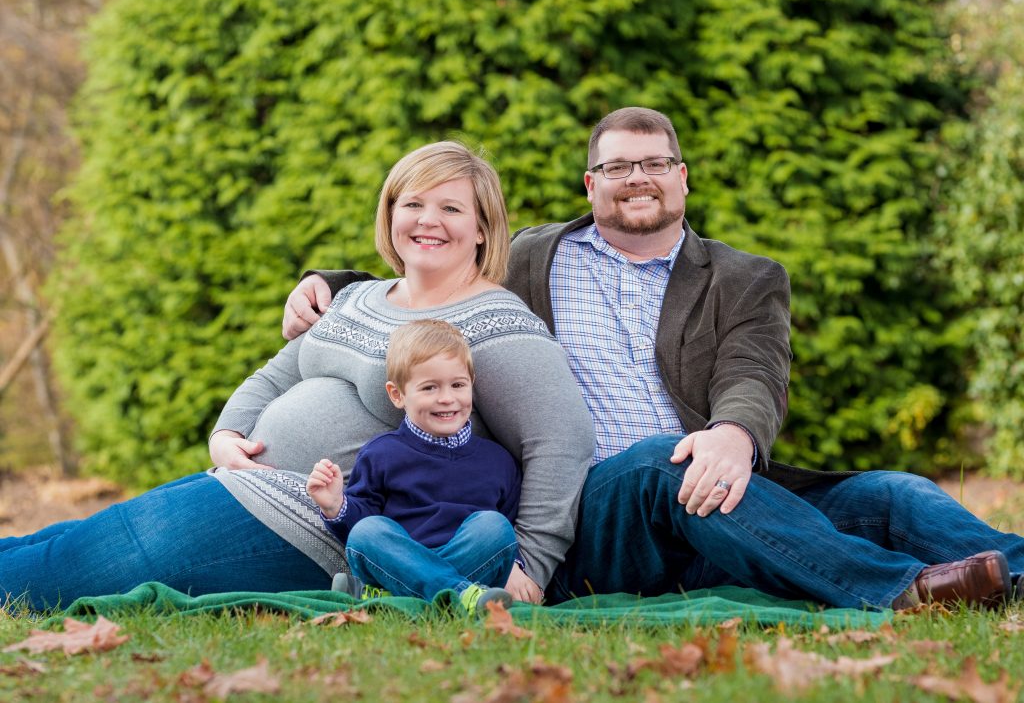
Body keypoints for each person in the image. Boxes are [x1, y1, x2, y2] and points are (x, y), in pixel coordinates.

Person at [285, 107, 1024, 611]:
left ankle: (1009, 575)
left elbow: (754, 372)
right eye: (617, 167)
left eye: (654, 163)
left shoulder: (746, 277)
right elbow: (433, 266)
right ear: (591, 184)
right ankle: (902, 591)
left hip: (721, 487)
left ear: (682, 177)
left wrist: (734, 433)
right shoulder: (532, 259)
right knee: (653, 463)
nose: (637, 177)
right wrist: (333, 282)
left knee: (891, 494)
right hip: (590, 510)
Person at [0, 142, 594, 611]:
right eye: (411, 204)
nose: (426, 220)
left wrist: (531, 569)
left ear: (484, 228)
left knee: (72, 567)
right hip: (244, 484)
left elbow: (562, 442)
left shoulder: (493, 321)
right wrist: (226, 435)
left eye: (450, 208)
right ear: (389, 215)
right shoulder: (359, 297)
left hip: (316, 526)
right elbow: (273, 375)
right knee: (68, 540)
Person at [306, 319, 520, 615]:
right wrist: (336, 506)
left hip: (470, 559)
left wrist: (517, 567)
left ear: (472, 385)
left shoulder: (498, 461)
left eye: (458, 385)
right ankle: (457, 596)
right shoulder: (381, 453)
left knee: (495, 526)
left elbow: (506, 534)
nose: (446, 398)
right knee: (369, 531)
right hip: (398, 558)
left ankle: (391, 597)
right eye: (429, 387)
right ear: (397, 394)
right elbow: (359, 529)